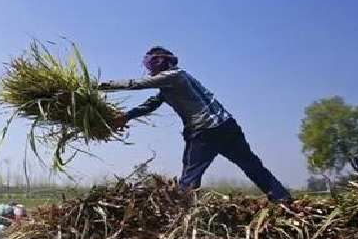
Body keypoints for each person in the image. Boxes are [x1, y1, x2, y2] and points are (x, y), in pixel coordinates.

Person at [99, 46, 292, 202]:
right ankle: (282, 198)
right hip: (227, 126)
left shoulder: (173, 76)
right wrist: (126, 116)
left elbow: (137, 84)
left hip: (205, 131)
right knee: (251, 165)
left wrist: (99, 86)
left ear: (162, 63)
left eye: (153, 64)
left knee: (189, 179)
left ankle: (184, 216)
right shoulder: (172, 83)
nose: (151, 68)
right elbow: (151, 104)